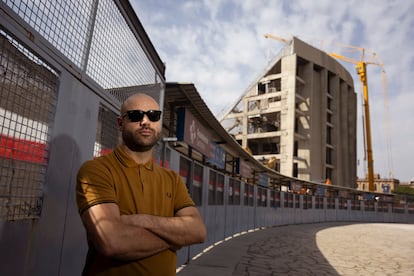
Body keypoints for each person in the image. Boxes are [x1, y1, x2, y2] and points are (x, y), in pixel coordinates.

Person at [76, 93, 207, 275]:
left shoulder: (172, 179)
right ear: (120, 123)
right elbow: (112, 242)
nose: (145, 121)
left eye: (153, 115)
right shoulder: (96, 170)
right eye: (136, 115)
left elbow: (198, 231)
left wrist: (140, 220)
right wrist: (177, 237)